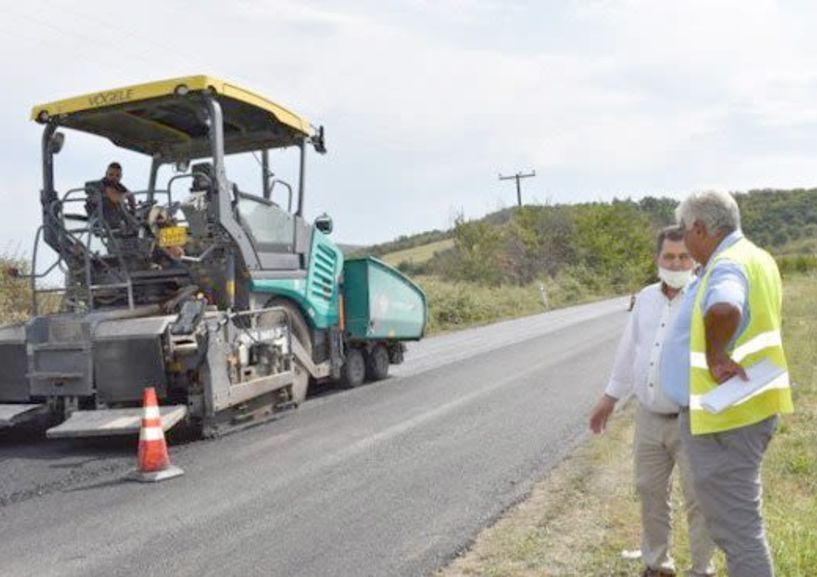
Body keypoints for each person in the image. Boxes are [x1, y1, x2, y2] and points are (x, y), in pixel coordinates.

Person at [661, 190, 794, 577]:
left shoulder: (727, 265)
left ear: (700, 228)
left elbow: (725, 307)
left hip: (727, 419)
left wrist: (716, 356)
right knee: (740, 528)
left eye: (686, 233)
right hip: (745, 406)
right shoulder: (757, 257)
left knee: (738, 534)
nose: (684, 242)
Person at [589, 226, 716, 577]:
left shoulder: (707, 297)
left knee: (699, 499)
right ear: (657, 259)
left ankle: (702, 569)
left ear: (695, 259)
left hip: (695, 420)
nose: (676, 262)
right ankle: (658, 565)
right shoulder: (645, 298)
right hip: (648, 418)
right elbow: (630, 350)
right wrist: (609, 397)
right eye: (669, 256)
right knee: (649, 492)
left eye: (683, 256)